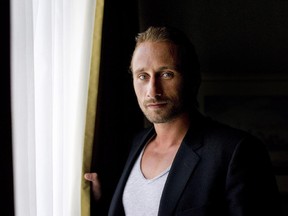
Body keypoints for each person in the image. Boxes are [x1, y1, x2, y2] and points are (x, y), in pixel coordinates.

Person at [85, 26, 281, 216]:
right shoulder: (133, 144)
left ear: (192, 78)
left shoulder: (237, 151)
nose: (153, 91)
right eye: (143, 76)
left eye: (166, 74)